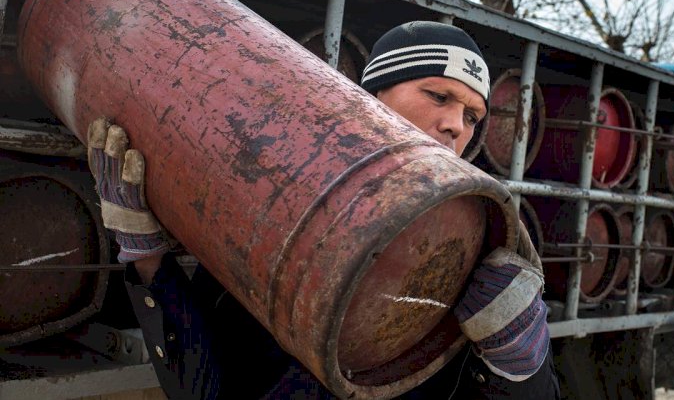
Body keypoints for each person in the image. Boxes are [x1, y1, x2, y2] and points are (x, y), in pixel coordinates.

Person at [87, 21, 560, 399]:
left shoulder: (484, 244)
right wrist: (147, 259)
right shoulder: (276, 210)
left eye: (473, 117)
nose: (456, 126)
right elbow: (204, 390)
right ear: (371, 98)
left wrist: (519, 370)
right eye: (439, 96)